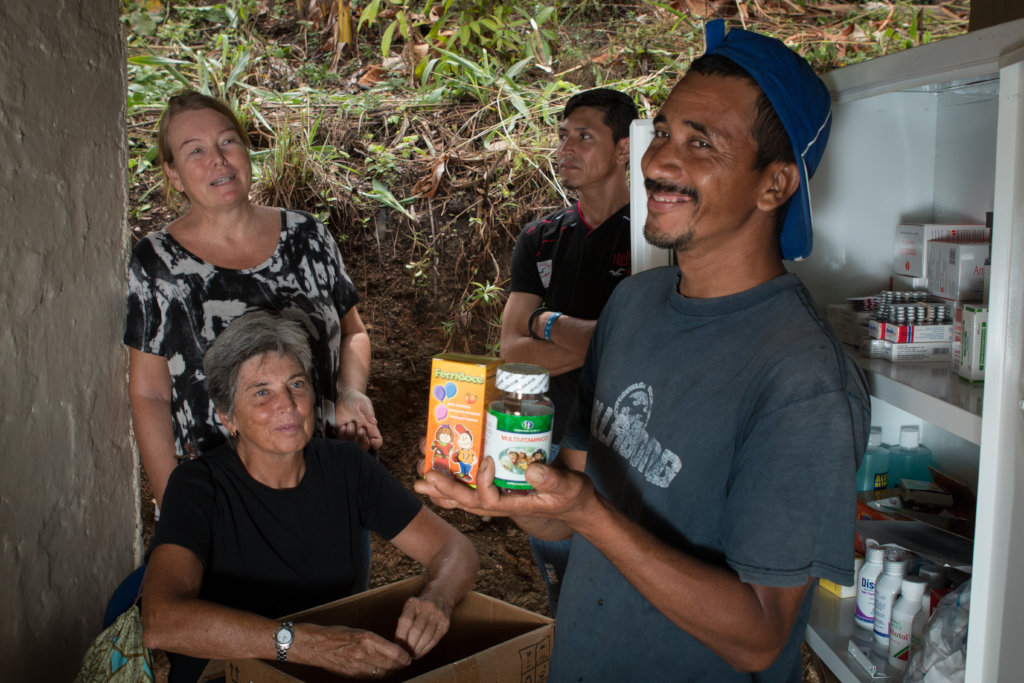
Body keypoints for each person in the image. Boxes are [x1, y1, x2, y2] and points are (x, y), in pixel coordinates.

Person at [417, 19, 870, 682]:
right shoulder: (634, 305)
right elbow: (569, 507)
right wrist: (510, 495)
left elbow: (761, 637)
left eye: (700, 142)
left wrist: (585, 511)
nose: (657, 162)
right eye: (662, 131)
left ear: (774, 185)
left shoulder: (803, 380)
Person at [142, 312, 479, 683]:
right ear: (227, 416)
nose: (287, 404)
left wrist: (438, 598)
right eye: (261, 392)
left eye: (296, 384)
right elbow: (161, 621)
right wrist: (307, 645)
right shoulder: (198, 487)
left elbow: (455, 549)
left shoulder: (347, 468)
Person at [125, 90, 382, 513]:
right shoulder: (157, 263)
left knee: (342, 580)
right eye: (195, 151)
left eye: (228, 141)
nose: (218, 160)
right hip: (220, 499)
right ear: (173, 174)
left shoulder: (308, 236)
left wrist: (350, 392)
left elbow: (353, 333)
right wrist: (177, 506)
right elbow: (149, 394)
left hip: (327, 482)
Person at [499, 88, 637, 614]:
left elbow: (629, 344)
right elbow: (514, 350)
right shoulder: (542, 237)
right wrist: (599, 339)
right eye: (563, 136)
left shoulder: (651, 238)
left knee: (622, 596)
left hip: (621, 450)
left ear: (625, 149)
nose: (567, 148)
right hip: (542, 437)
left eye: (585, 136)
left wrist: (545, 321)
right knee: (564, 594)